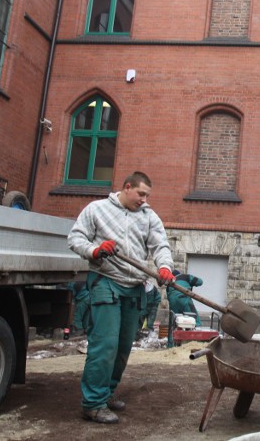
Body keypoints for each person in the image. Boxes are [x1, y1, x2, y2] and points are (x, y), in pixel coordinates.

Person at [67, 171, 177, 424]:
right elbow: (75, 238)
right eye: (141, 194)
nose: (144, 200)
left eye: (147, 195)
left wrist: (164, 268)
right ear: (127, 187)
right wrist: (95, 250)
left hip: (134, 287)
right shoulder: (97, 209)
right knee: (105, 345)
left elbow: (160, 246)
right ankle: (93, 404)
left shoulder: (149, 217)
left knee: (123, 347)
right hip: (107, 282)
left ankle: (106, 394)